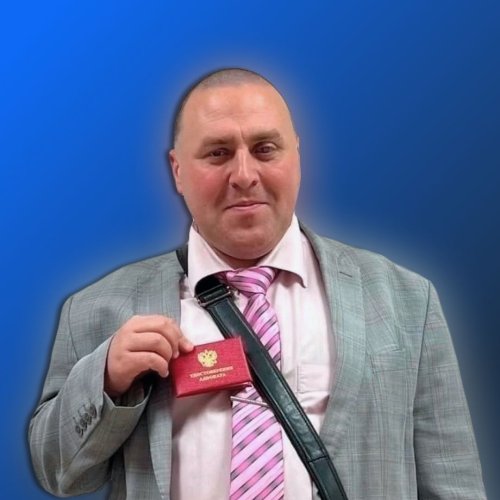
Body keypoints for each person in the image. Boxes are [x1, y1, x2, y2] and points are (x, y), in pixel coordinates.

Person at [29, 68, 486, 500]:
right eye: (218, 153)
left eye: (265, 149)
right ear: (177, 170)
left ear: (297, 157)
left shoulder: (406, 300)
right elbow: (57, 473)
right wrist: (106, 380)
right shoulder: (99, 308)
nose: (245, 175)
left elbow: (453, 484)